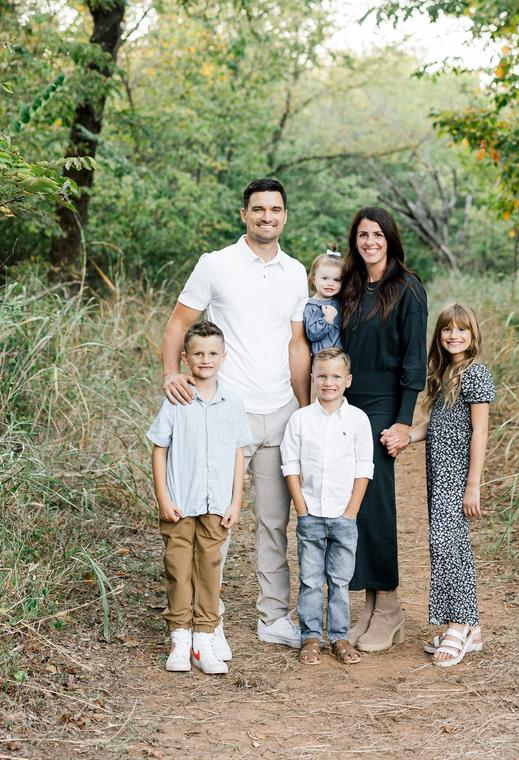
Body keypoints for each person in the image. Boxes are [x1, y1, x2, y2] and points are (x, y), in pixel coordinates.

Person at [161, 178, 310, 651]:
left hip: (280, 410)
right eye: (259, 209)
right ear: (244, 214)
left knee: (273, 521)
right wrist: (170, 373)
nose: (268, 217)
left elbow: (297, 343)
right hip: (225, 413)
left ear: (285, 216)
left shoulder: (295, 271)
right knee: (213, 521)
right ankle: (209, 619)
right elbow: (179, 323)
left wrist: (304, 408)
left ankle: (273, 617)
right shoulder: (216, 264)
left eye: (276, 209)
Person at [340, 207, 428, 653]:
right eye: (362, 235)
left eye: (377, 234)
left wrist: (403, 421)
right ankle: (371, 607)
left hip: (381, 409)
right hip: (346, 407)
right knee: (351, 505)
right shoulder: (351, 287)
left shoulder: (407, 288)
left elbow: (415, 361)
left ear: (390, 239)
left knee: (375, 503)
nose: (369, 242)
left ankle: (390, 605)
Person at [147, 321, 252, 674]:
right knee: (178, 568)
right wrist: (163, 497)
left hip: (217, 504)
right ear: (185, 358)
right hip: (180, 501)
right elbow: (159, 449)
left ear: (223, 357)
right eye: (198, 354)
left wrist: (236, 500)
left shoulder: (233, 403)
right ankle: (180, 637)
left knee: (210, 569)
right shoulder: (176, 400)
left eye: (212, 353)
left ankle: (204, 639)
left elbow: (238, 454)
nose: (205, 359)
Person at [407, 303, 495, 667]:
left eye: (461, 329)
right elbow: (438, 423)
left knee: (446, 542)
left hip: (458, 474)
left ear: (473, 336)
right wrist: (409, 435)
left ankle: (458, 625)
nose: (453, 335)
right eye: (447, 329)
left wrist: (472, 484)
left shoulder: (475, 373)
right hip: (438, 471)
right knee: (449, 542)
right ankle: (470, 627)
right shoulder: (444, 373)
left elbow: (479, 430)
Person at [280, 348, 374, 665]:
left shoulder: (358, 420)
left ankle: (339, 637)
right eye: (322, 376)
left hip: (344, 516)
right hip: (311, 516)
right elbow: (290, 466)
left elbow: (364, 468)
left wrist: (351, 511)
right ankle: (310, 637)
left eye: (335, 376)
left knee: (339, 580)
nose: (328, 382)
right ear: (313, 378)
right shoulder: (301, 419)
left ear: (347, 380)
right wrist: (302, 509)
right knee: (309, 579)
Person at [303, 250, 344, 354]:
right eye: (325, 278)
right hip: (322, 359)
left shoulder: (339, 302)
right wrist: (327, 320)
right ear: (314, 279)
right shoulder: (311, 306)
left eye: (337, 280)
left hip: (341, 357)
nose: (330, 283)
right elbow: (312, 335)